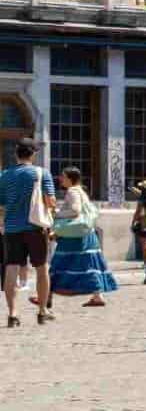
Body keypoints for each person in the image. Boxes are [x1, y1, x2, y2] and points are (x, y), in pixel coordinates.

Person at [0, 140, 53, 328]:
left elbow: (1, 203)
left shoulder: (4, 175)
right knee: (41, 267)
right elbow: (50, 201)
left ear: (17, 154)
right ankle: (42, 311)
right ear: (34, 154)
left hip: (12, 228)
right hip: (35, 227)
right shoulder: (41, 173)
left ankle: (13, 314)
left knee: (11, 267)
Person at [44, 167, 113, 307]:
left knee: (59, 264)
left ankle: (46, 296)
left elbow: (75, 211)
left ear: (70, 178)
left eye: (63, 176)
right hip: (86, 234)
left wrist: (56, 214)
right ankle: (97, 296)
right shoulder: (81, 190)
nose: (60, 179)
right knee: (89, 264)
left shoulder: (72, 191)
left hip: (74, 236)